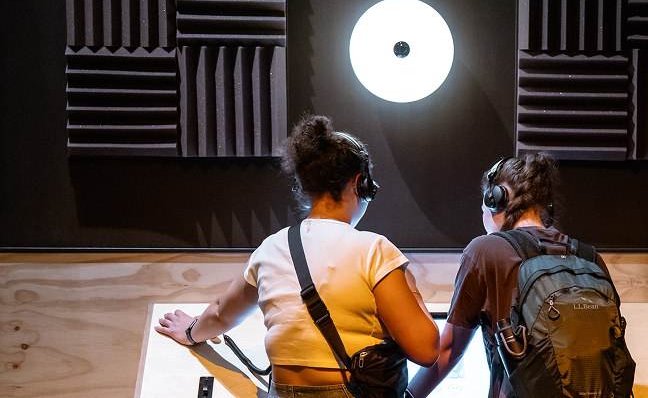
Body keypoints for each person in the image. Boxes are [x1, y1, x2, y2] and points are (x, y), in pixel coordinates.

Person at [156, 114, 440, 398]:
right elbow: (426, 349)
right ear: (359, 184)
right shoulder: (374, 250)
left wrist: (191, 332)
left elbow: (220, 314)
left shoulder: (269, 248)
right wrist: (408, 283)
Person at [406, 152, 611, 398]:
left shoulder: (485, 251)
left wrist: (408, 395)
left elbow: (450, 349)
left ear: (496, 198)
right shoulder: (590, 257)